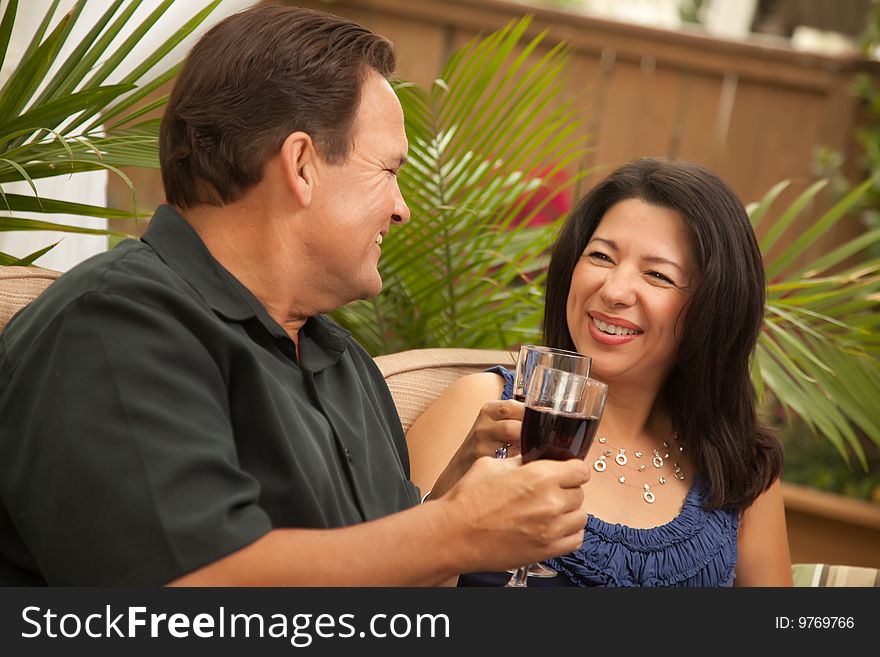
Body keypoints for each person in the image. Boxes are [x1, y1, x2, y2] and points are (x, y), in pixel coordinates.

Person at [0, 5, 592, 586]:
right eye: (389, 171)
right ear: (302, 164)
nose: (403, 207)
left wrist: (450, 509)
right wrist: (453, 529)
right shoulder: (114, 325)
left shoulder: (343, 365)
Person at [408, 157, 793, 587]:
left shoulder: (740, 465)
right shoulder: (488, 411)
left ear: (713, 309)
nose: (613, 290)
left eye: (657, 275)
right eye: (601, 256)